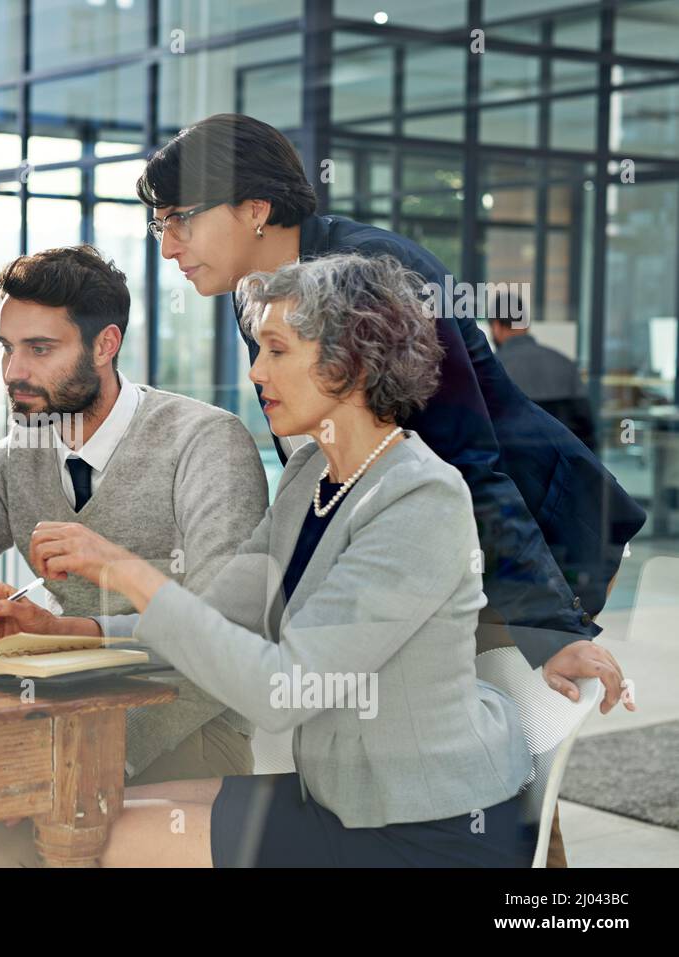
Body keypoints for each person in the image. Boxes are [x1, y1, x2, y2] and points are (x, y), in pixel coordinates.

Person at [32, 254, 536, 867]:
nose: (254, 372)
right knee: (87, 808)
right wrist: (68, 634)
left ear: (350, 360)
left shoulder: (420, 499)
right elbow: (221, 620)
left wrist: (126, 572)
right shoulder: (308, 476)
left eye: (276, 350)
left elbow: (284, 691)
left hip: (425, 827)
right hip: (334, 796)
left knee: (102, 842)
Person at [137, 113, 640, 706]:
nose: (168, 246)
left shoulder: (377, 275)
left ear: (254, 209)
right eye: (157, 224)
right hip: (437, 536)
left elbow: (463, 458)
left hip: (530, 532)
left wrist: (551, 626)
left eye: (179, 220)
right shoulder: (257, 290)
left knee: (499, 742)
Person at [0, 245, 268, 866]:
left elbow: (220, 632)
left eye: (39, 349)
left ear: (105, 346)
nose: (13, 371)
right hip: (62, 719)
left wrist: (67, 746)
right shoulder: (18, 454)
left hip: (184, 725)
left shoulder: (205, 443)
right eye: (5, 347)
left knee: (1, 851)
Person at [490, 310, 597, 452]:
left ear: (496, 326)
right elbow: (586, 427)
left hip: (512, 467)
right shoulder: (565, 364)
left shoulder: (492, 369)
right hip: (563, 464)